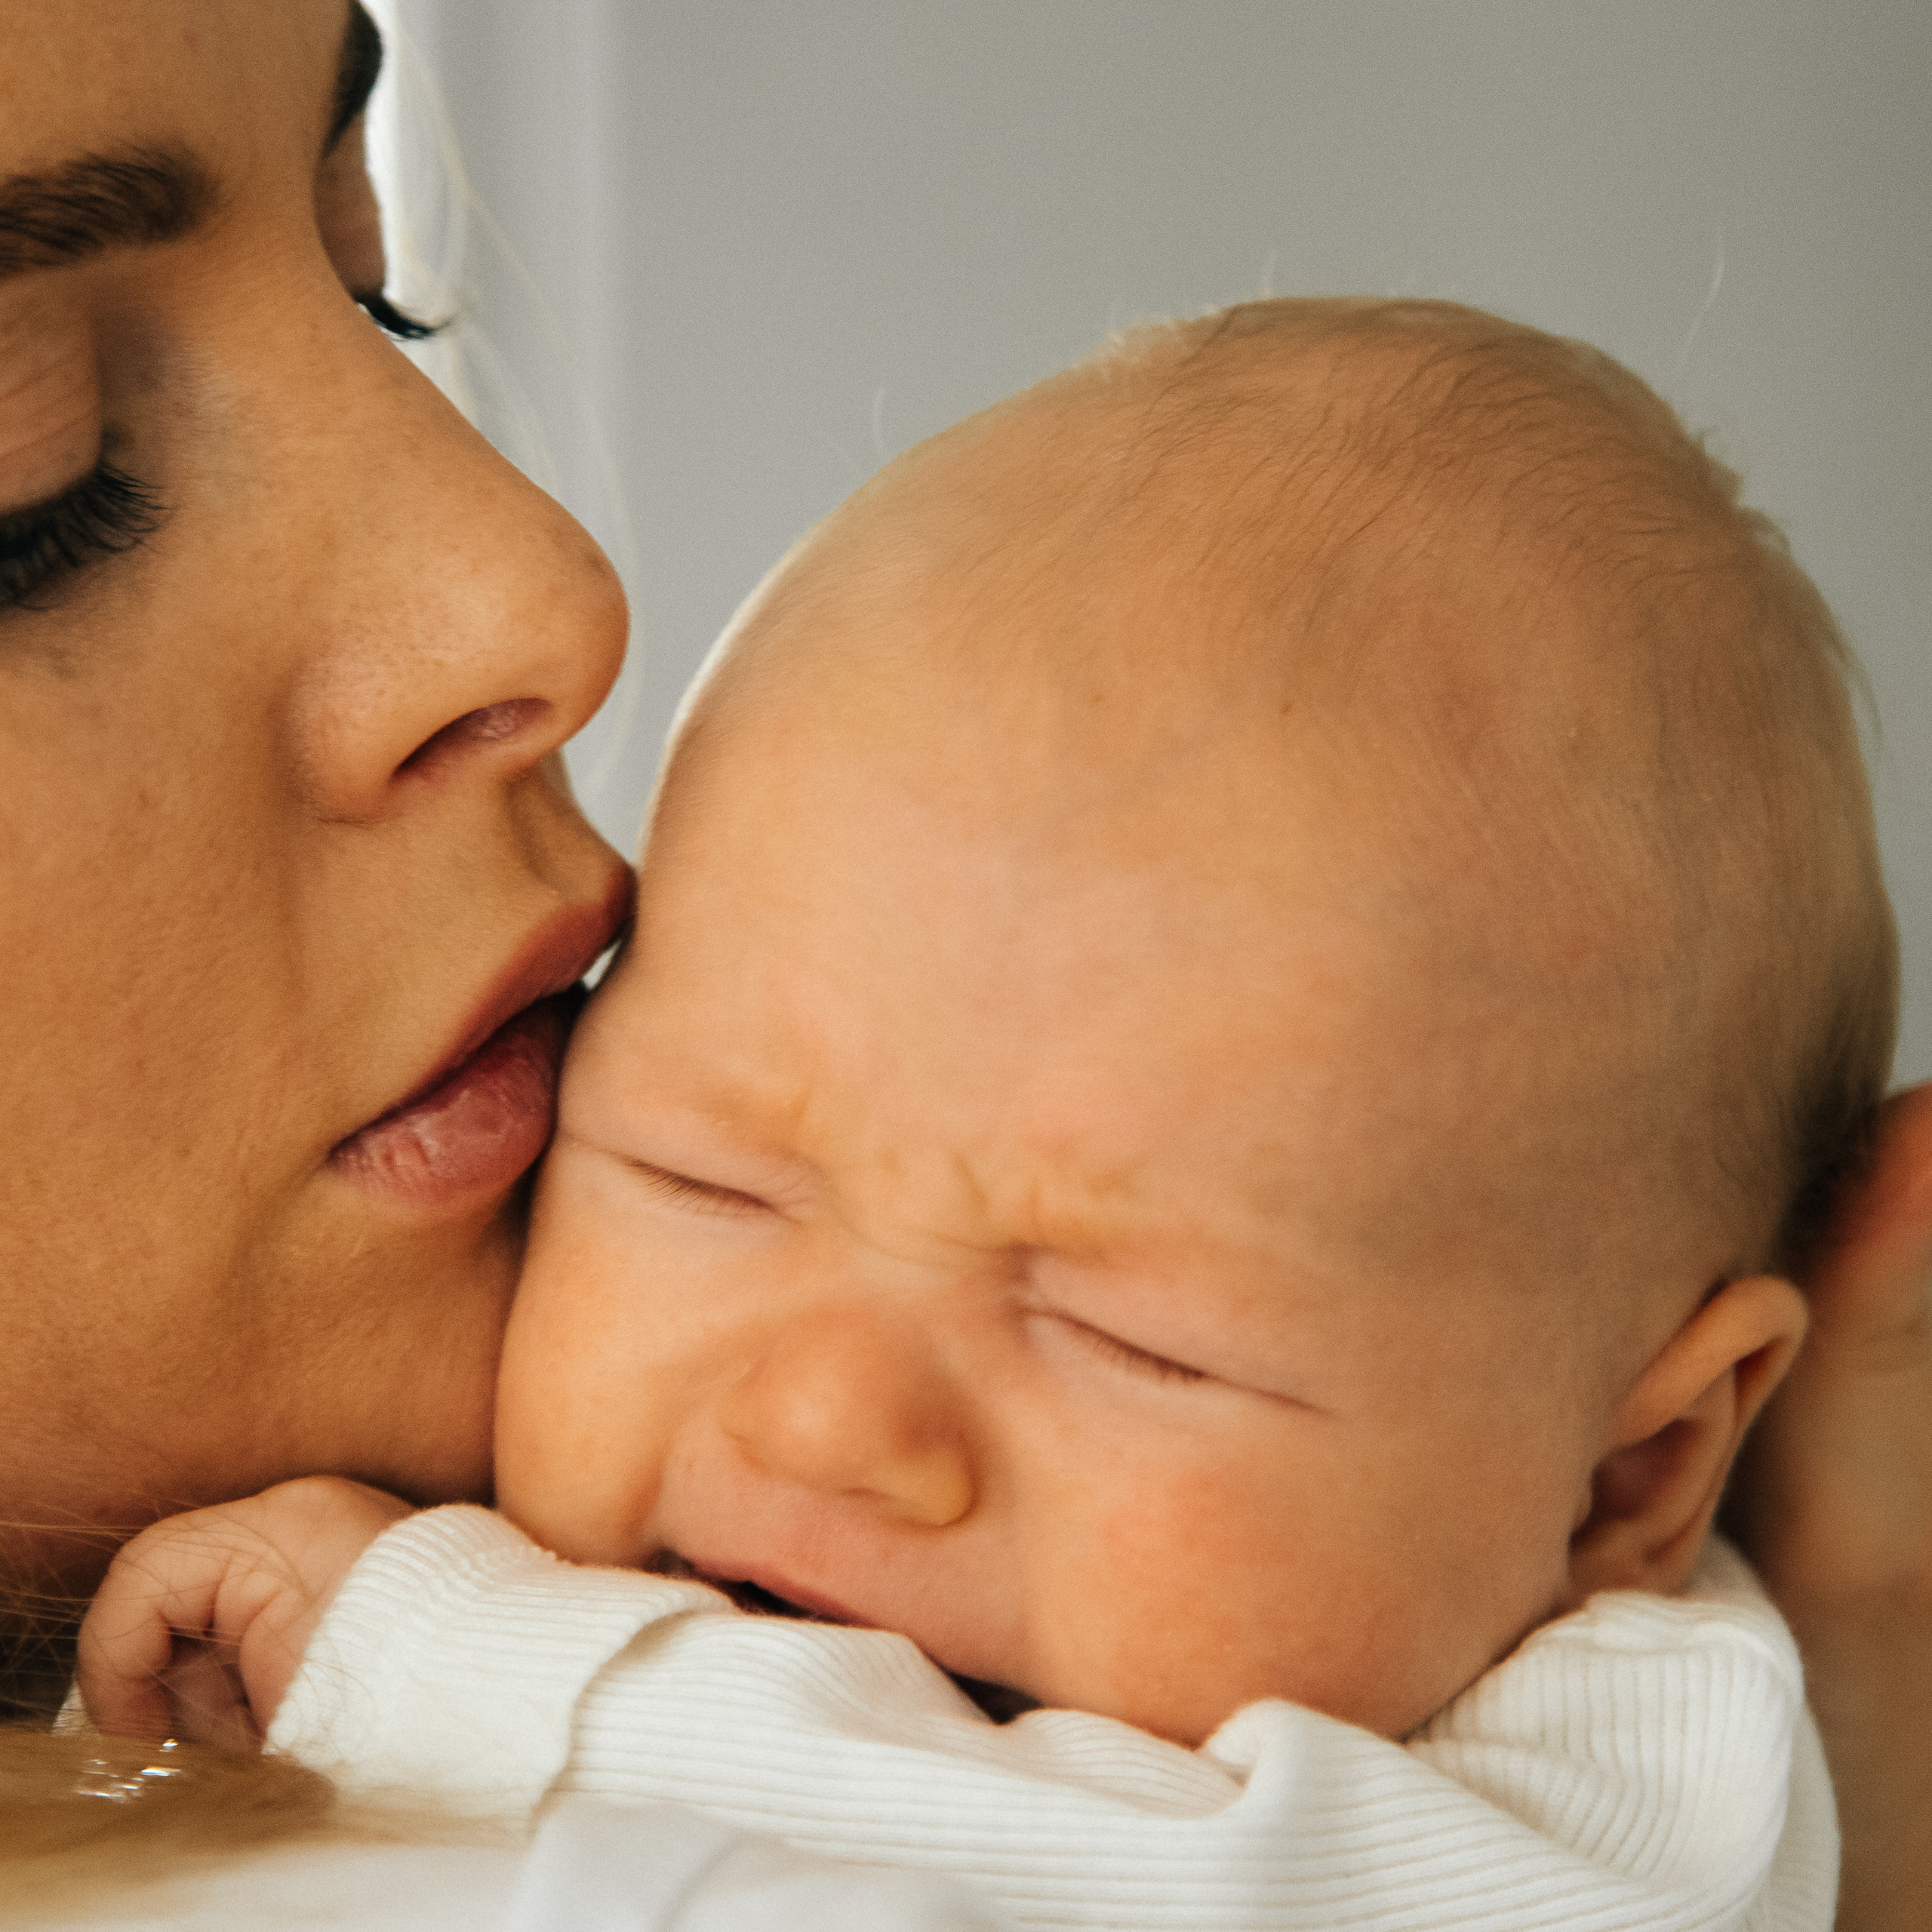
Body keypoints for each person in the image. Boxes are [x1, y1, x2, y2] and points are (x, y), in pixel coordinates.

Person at [4, 4, 1927, 1925]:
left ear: (1628, 1474)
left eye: (379, 290)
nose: (825, 1423)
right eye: (41, 464)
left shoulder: (1593, 1771)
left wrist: (423, 1650)